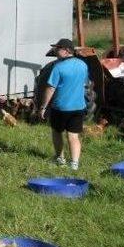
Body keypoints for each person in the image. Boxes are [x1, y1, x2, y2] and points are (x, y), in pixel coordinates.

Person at [38, 38, 89, 171]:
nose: (55, 51)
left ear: (66, 51)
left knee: (57, 132)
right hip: (79, 107)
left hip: (61, 107)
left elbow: (50, 88)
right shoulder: (83, 65)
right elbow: (84, 83)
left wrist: (43, 107)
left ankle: (60, 158)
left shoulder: (58, 67)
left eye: (58, 48)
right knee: (73, 135)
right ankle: (74, 164)